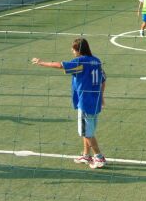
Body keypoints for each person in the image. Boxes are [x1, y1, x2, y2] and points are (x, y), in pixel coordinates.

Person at [31, 38, 107, 169]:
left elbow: (60, 65)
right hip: (95, 100)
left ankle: (99, 157)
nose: (71, 51)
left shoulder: (80, 62)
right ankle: (86, 155)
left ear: (79, 50)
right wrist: (102, 96)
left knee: (87, 133)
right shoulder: (97, 61)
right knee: (87, 130)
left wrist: (41, 62)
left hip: (85, 102)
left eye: (73, 49)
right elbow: (103, 79)